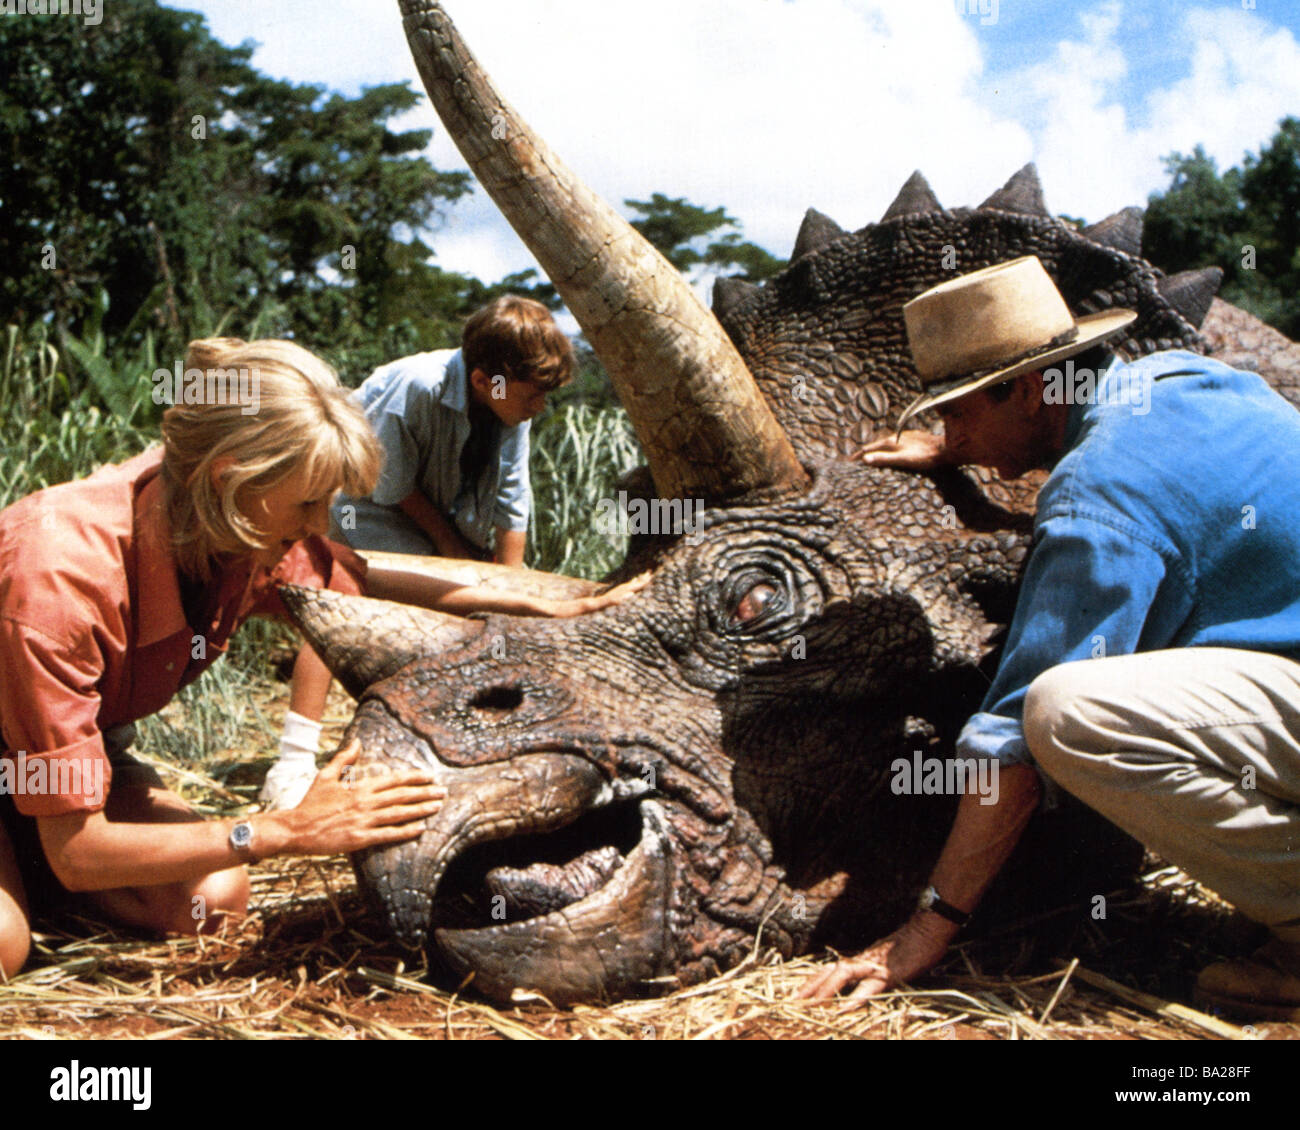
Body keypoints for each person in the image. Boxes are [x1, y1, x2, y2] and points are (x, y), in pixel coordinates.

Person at [0, 337, 643, 979]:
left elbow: (372, 575)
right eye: (309, 503)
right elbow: (80, 851)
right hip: (35, 784)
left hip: (60, 769)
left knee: (213, 900)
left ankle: (32, 870)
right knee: (3, 945)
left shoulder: (230, 523)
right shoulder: (58, 582)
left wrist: (556, 604)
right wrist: (286, 830)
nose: (322, 522)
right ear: (230, 476)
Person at [796, 256, 1300, 1020]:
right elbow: (1154, 489)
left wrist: (929, 924)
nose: (948, 432)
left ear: (1030, 389)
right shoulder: (1180, 379)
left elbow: (1013, 753)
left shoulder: (1097, 487)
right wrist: (965, 449)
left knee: (1068, 712)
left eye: (957, 412)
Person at [329, 294, 572, 567]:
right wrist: (452, 549)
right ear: (482, 380)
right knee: (432, 587)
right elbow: (393, 485)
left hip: (429, 520)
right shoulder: (420, 387)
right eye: (531, 397)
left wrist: (512, 581)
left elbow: (512, 499)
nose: (539, 407)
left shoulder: (508, 400)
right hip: (359, 509)